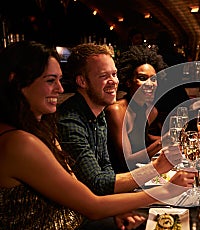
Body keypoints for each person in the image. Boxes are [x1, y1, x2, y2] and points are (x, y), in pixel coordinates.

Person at [0, 40, 195, 230]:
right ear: (17, 82)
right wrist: (165, 190)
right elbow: (92, 200)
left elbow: (79, 196)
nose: (60, 89)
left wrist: (113, 213)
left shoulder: (42, 126)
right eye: (50, 81)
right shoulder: (21, 142)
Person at [57, 43, 180, 196]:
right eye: (104, 76)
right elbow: (96, 183)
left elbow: (106, 167)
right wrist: (156, 167)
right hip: (80, 213)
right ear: (82, 82)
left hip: (106, 198)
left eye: (114, 74)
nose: (114, 81)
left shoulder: (98, 113)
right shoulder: (70, 121)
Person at [105, 45, 166, 173]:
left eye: (154, 79)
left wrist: (173, 137)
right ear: (128, 81)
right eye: (143, 78)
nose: (150, 84)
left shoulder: (151, 111)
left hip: (141, 173)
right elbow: (126, 161)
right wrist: (162, 143)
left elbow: (142, 139)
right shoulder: (116, 111)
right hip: (121, 177)